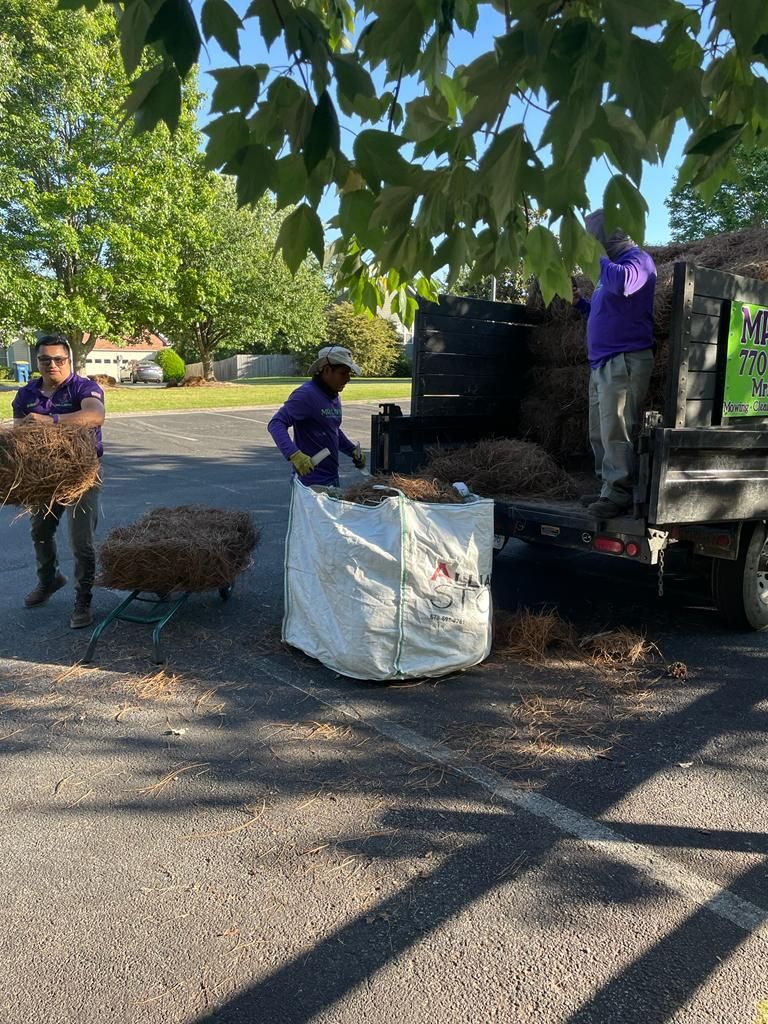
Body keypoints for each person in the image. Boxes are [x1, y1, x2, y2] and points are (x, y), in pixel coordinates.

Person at [12, 334, 106, 628]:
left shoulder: (84, 387)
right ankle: (50, 579)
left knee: (81, 542)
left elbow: (95, 416)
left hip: (82, 474)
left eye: (58, 359)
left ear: (69, 360)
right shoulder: (27, 394)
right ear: (37, 361)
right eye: (44, 359)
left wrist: (50, 421)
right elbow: (19, 433)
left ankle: (83, 597)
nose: (52, 364)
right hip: (44, 476)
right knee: (40, 530)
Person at [575, 209, 657, 519]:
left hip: (625, 359)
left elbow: (623, 285)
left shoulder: (638, 261)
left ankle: (619, 493)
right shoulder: (609, 269)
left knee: (617, 429)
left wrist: (597, 257)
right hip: (603, 363)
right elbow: (609, 310)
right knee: (600, 431)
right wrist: (581, 304)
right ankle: (606, 488)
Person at [267, 346, 367, 487]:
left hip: (331, 479)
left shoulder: (333, 396)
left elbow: (332, 429)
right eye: (343, 373)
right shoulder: (305, 395)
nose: (348, 379)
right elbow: (276, 424)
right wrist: (294, 455)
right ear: (326, 370)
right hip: (310, 484)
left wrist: (352, 451)